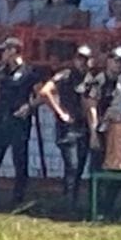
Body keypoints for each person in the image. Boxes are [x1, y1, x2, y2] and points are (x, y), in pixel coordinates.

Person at [0, 37, 43, 212]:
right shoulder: (3, 71)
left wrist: (29, 107)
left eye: (5, 50)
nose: (2, 54)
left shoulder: (30, 72)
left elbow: (41, 95)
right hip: (1, 120)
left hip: (19, 122)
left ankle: (18, 200)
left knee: (19, 161)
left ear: (14, 51)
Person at [38, 45, 100, 208]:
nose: (83, 62)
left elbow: (91, 106)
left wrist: (92, 130)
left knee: (79, 167)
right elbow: (45, 92)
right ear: (75, 59)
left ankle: (72, 202)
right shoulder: (65, 75)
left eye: (86, 59)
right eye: (80, 58)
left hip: (83, 126)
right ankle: (68, 202)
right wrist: (60, 112)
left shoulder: (91, 80)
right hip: (68, 128)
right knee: (72, 165)